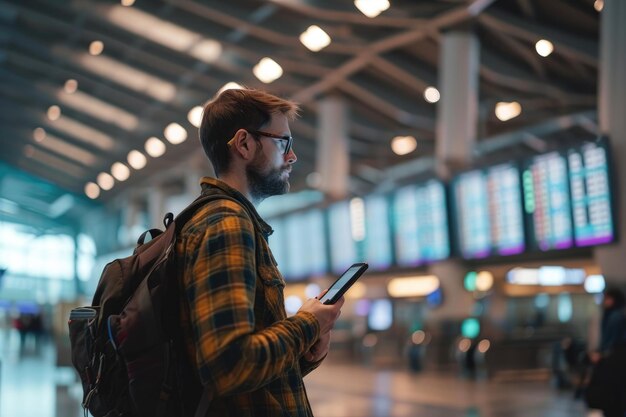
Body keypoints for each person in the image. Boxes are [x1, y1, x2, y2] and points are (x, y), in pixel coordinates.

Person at [175, 88, 344, 417]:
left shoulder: (219, 221)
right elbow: (229, 367)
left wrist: (305, 351)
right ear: (244, 144)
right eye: (284, 142)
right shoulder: (227, 225)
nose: (292, 156)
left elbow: (248, 381)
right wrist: (307, 324)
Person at [586, 287, 626, 417]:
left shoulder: (614, 316)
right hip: (615, 360)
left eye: (606, 298)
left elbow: (612, 340)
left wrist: (601, 354)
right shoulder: (616, 314)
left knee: (611, 396)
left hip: (613, 361)